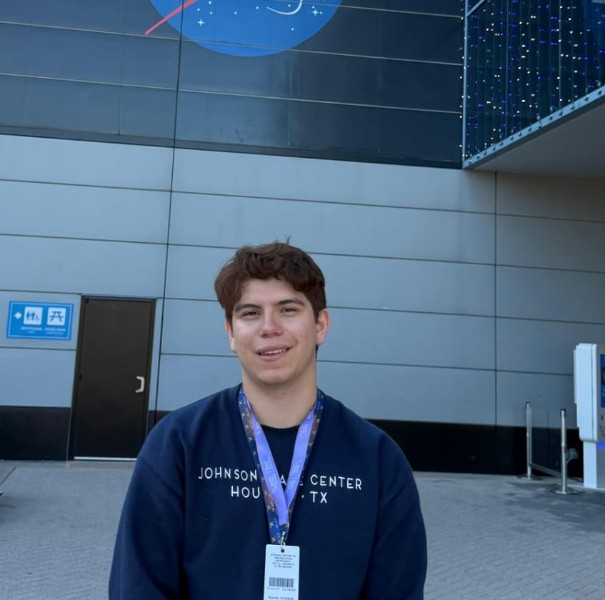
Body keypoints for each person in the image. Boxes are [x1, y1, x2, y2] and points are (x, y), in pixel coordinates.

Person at [109, 242, 427, 599]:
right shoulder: (178, 444)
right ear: (231, 332)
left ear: (320, 325)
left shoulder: (377, 459)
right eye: (250, 313)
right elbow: (138, 586)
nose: (269, 327)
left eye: (288, 309)